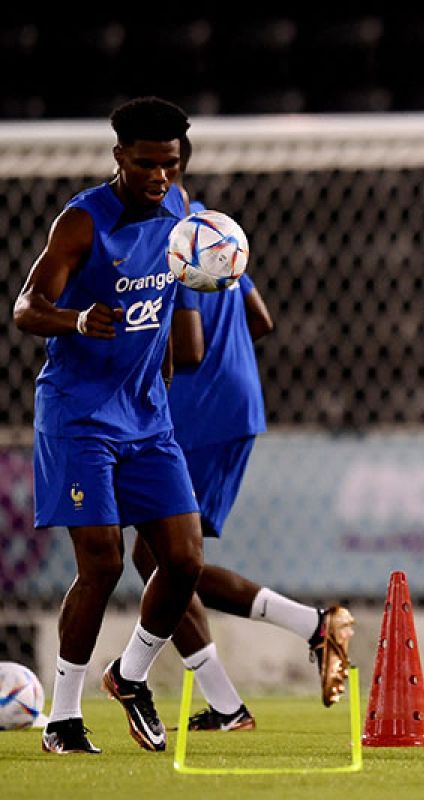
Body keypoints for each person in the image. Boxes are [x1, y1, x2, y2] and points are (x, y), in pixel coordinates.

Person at [128, 155, 354, 732]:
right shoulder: (214, 227)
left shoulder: (170, 240)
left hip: (197, 413)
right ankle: (229, 704)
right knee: (162, 559)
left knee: (164, 559)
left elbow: (191, 349)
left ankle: (312, 625)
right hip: (234, 403)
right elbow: (260, 318)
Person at [13, 97, 205, 754]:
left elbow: (170, 309)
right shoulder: (82, 223)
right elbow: (25, 306)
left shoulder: (181, 214)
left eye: (170, 166)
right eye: (146, 164)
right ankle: (61, 718)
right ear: (120, 157)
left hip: (148, 421)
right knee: (102, 561)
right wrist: (75, 319)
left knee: (183, 560)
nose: (159, 177)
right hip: (79, 418)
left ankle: (129, 674)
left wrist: (164, 385)